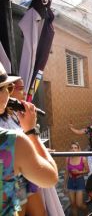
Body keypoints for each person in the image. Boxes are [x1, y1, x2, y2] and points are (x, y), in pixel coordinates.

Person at [0, 64, 58, 215]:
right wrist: (32, 132)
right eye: (9, 88)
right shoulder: (12, 141)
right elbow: (51, 178)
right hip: (21, 180)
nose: (23, 92)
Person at [64, 142, 89, 216]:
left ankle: (87, 213)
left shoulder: (83, 158)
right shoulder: (68, 158)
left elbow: (87, 170)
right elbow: (66, 172)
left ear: (78, 149)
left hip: (79, 181)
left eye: (75, 148)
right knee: (73, 204)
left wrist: (79, 172)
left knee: (79, 204)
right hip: (70, 181)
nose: (73, 149)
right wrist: (64, 186)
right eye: (72, 148)